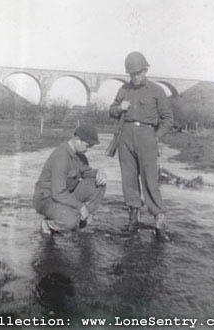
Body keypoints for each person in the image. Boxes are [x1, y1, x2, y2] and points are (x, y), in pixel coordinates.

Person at [109, 51, 173, 239]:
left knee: (151, 181)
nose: (135, 77)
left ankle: (160, 224)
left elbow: (168, 118)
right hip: (125, 136)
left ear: (145, 70)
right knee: (128, 180)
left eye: (138, 72)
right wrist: (120, 108)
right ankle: (133, 221)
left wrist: (156, 137)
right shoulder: (124, 90)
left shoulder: (157, 90)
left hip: (147, 136)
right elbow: (111, 110)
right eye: (131, 74)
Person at [33, 124, 107, 234]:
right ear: (77, 140)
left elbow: (86, 172)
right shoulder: (61, 158)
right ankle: (49, 224)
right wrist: (80, 206)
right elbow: (57, 193)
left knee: (100, 184)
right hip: (46, 199)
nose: (88, 150)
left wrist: (99, 172)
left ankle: (83, 218)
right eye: (87, 146)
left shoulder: (79, 155)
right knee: (71, 221)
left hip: (64, 194)